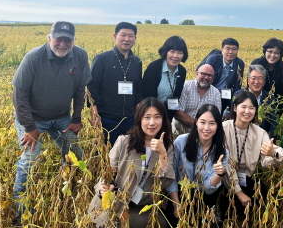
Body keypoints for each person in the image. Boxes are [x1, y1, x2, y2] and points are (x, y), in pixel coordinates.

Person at [12, 21, 90, 223]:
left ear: (73, 41)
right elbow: (19, 95)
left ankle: (70, 195)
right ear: (49, 38)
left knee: (74, 154)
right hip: (32, 117)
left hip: (62, 117)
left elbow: (80, 90)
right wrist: (29, 128)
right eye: (58, 39)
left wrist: (76, 119)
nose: (62, 44)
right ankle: (21, 213)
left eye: (68, 40)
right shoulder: (33, 57)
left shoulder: (80, 56)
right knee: (30, 160)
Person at [89, 98, 175, 227]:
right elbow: (107, 173)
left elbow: (165, 183)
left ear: (163, 120)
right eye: (147, 117)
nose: (152, 122)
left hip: (141, 206)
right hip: (116, 202)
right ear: (139, 119)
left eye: (157, 117)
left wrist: (162, 155)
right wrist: (103, 188)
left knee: (161, 223)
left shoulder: (166, 147)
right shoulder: (124, 141)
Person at [222, 91, 283, 216]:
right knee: (230, 206)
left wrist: (273, 153)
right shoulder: (223, 129)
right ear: (235, 108)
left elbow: (274, 158)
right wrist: (239, 193)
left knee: (262, 193)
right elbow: (225, 164)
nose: (247, 111)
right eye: (243, 107)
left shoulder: (259, 133)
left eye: (252, 108)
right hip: (224, 180)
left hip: (245, 178)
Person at [167, 104, 229, 225]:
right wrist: (177, 205)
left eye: (212, 123)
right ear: (196, 122)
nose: (206, 128)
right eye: (202, 122)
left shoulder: (222, 153)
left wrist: (219, 174)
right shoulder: (181, 142)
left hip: (203, 200)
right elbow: (171, 175)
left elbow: (208, 189)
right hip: (179, 195)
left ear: (217, 126)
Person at [88, 22, 143, 146]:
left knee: (127, 155)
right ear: (115, 36)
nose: (127, 39)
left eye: (131, 36)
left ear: (135, 38)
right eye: (123, 35)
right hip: (107, 119)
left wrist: (139, 115)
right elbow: (92, 86)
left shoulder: (137, 62)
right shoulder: (102, 58)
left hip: (130, 119)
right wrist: (94, 113)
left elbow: (138, 88)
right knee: (107, 156)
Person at [143, 36, 188, 122]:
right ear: (165, 52)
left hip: (167, 116)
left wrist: (168, 120)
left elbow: (176, 97)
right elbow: (148, 97)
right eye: (172, 51)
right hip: (150, 115)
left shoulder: (182, 71)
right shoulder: (154, 67)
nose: (175, 56)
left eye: (179, 52)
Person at [174, 64, 221, 133]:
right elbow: (178, 113)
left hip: (205, 132)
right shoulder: (184, 87)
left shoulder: (216, 93)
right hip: (182, 131)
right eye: (203, 74)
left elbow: (216, 116)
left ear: (213, 78)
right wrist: (197, 125)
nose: (206, 77)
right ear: (196, 74)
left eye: (210, 75)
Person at [233, 65, 277, 137]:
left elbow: (273, 122)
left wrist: (268, 138)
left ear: (264, 82)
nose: (256, 82)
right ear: (248, 80)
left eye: (260, 78)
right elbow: (234, 116)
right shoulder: (238, 95)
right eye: (253, 78)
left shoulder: (270, 98)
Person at [204, 38, 245, 112]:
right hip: (210, 93)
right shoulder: (214, 59)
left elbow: (237, 86)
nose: (230, 52)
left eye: (234, 49)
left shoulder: (239, 63)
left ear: (237, 51)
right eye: (227, 48)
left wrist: (235, 104)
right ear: (222, 49)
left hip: (225, 95)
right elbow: (205, 78)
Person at [251, 38, 283, 113]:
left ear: (281, 55)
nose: (272, 55)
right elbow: (251, 84)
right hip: (257, 99)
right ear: (265, 51)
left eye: (277, 53)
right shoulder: (257, 63)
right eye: (270, 51)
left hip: (277, 103)